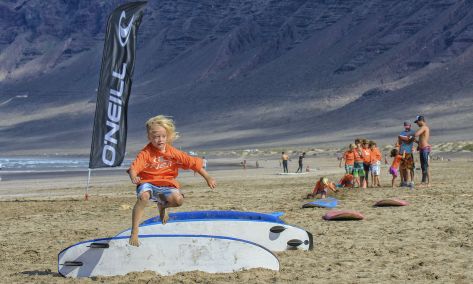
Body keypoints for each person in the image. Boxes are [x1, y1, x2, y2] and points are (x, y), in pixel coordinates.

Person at [127, 115, 217, 247]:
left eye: (163, 136)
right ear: (149, 137)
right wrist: (134, 176)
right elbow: (134, 168)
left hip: (167, 184)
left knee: (178, 200)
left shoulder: (173, 152)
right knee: (144, 196)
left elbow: (192, 163)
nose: (160, 140)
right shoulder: (146, 153)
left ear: (167, 136)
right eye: (156, 137)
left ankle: (162, 205)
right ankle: (135, 230)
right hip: (148, 182)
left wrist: (207, 177)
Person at [414, 115, 431, 187]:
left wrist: (410, 135)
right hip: (422, 149)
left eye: (417, 122)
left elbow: (416, 134)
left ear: (421, 121)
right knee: (423, 166)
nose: (417, 124)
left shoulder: (424, 127)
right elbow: (421, 140)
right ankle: (423, 182)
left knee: (426, 166)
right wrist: (417, 143)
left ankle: (429, 182)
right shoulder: (423, 128)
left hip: (425, 149)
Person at [397, 122, 416, 188]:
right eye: (405, 125)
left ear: (410, 126)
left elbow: (409, 140)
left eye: (408, 125)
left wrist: (402, 138)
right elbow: (399, 143)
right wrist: (400, 138)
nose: (407, 126)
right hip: (402, 152)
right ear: (404, 126)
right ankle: (405, 182)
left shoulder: (412, 132)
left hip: (409, 152)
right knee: (403, 168)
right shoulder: (401, 133)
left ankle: (412, 181)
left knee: (410, 167)